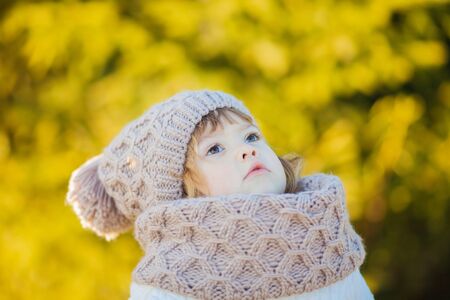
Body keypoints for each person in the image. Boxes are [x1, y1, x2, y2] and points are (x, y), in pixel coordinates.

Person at [66, 90, 374, 300]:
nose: (247, 149)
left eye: (251, 136)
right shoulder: (172, 279)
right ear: (183, 193)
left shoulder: (323, 231)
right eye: (215, 149)